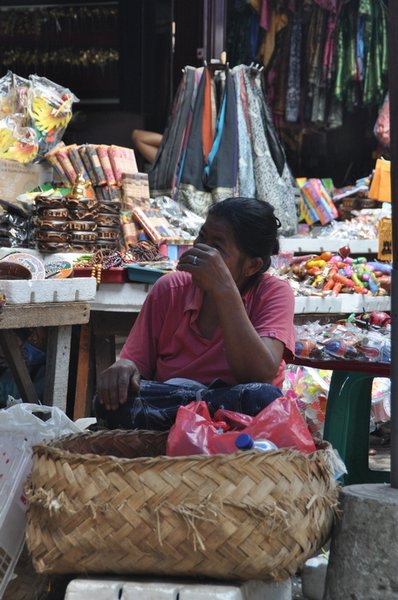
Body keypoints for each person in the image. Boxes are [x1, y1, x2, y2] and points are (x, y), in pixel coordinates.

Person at [95, 197, 296, 430]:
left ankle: (187, 419)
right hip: (173, 401)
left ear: (251, 266)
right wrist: (124, 369)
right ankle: (189, 418)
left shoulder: (273, 293)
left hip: (233, 410)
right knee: (107, 400)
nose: (200, 250)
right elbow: (136, 365)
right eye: (202, 237)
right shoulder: (169, 289)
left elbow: (259, 375)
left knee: (263, 397)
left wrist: (224, 290)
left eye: (217, 247)